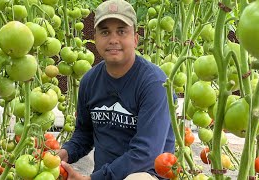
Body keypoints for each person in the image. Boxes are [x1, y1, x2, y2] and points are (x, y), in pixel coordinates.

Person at [57, 0, 176, 179]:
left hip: (147, 175)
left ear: (135, 39)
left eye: (121, 31)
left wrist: (93, 179)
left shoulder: (154, 83)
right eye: (105, 32)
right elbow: (84, 134)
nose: (113, 40)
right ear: (95, 38)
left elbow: (146, 154)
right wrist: (63, 155)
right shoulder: (89, 81)